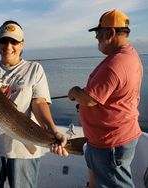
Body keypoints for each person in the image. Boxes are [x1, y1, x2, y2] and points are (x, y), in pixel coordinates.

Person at [0, 20, 68, 188]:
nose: (8, 46)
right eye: (4, 40)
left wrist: (53, 130)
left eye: (14, 41)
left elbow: (39, 103)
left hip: (24, 149)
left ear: (22, 43)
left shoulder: (34, 69)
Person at [56, 10, 143, 188]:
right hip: (109, 139)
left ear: (110, 32)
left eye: (98, 32)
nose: (96, 37)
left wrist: (74, 91)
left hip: (110, 143)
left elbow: (89, 99)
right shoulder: (129, 56)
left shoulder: (115, 64)